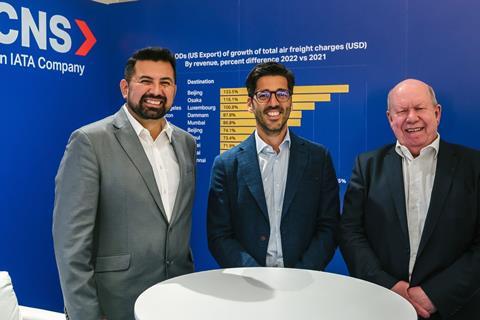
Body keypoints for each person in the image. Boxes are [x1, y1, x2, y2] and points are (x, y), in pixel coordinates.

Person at [53, 47, 196, 320]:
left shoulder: (185, 143)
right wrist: (87, 314)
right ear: (124, 87)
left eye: (165, 83)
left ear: (174, 89)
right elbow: (71, 245)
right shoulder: (90, 141)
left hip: (175, 298)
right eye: (145, 81)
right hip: (115, 305)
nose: (156, 91)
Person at [340, 79, 480, 320]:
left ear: (437, 113)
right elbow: (350, 232)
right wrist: (389, 285)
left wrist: (436, 294)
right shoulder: (367, 166)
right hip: (382, 304)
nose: (411, 118)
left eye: (419, 108)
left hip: (455, 308)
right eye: (402, 111)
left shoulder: (474, 166)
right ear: (390, 118)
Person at [207, 62, 340, 270]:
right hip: (249, 287)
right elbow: (219, 235)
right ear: (250, 103)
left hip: (304, 284)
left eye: (282, 94)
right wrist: (256, 275)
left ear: (291, 101)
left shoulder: (318, 158)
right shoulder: (226, 164)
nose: (274, 102)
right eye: (263, 95)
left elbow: (329, 227)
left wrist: (301, 274)